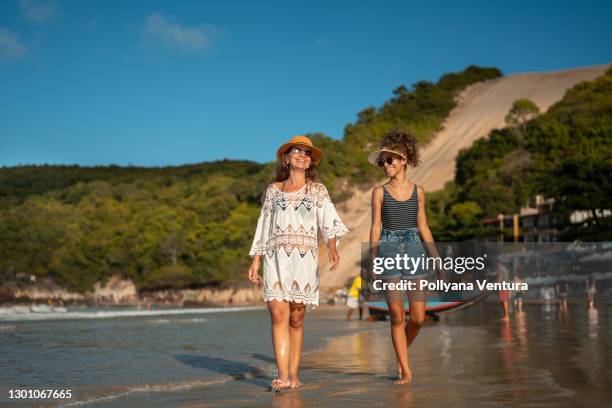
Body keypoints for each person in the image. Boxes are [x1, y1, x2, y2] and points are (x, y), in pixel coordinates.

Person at [247, 135, 349, 391]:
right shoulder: (273, 191)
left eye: (307, 153)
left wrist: (332, 247)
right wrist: (256, 260)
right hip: (275, 258)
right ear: (287, 157)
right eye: (297, 151)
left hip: (303, 261)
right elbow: (263, 226)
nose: (303, 156)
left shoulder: (317, 190)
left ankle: (293, 375)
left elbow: (329, 220)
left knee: (296, 320)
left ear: (311, 161)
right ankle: (282, 377)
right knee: (278, 316)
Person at [368, 129, 439, 384]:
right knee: (397, 316)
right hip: (387, 248)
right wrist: (374, 259)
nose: (385, 165)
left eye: (390, 160)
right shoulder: (379, 192)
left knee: (418, 318)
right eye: (382, 161)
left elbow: (424, 227)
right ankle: (406, 371)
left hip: (414, 249)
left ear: (404, 160)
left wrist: (436, 259)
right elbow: (375, 226)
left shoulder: (418, 191)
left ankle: (400, 357)